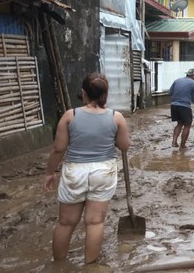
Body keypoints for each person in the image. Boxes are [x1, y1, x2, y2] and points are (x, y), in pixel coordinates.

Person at [43, 73, 130, 264]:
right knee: (95, 222)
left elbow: (58, 149)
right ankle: (90, 266)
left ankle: (59, 266)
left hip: (75, 171)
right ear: (105, 94)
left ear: (83, 93)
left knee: (66, 223)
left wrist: (50, 172)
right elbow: (124, 146)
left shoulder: (70, 115)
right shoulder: (117, 117)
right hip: (103, 171)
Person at [170, 68, 194, 148]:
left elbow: (170, 92)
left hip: (174, 105)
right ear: (193, 76)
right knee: (187, 125)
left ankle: (174, 142)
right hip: (184, 106)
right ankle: (183, 145)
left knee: (179, 124)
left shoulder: (177, 80)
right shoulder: (193, 84)